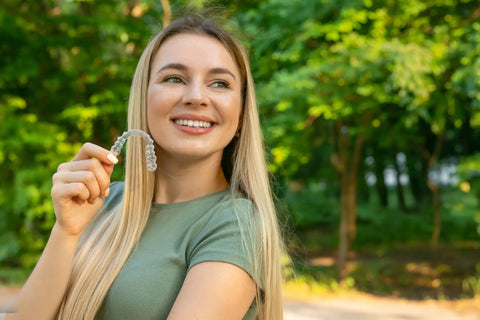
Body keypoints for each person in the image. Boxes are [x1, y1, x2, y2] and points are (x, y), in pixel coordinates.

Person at [7, 13, 284, 320]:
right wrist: (66, 231)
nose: (196, 97)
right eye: (174, 78)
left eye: (219, 83)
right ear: (144, 97)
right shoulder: (102, 200)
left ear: (241, 114)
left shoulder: (235, 224)